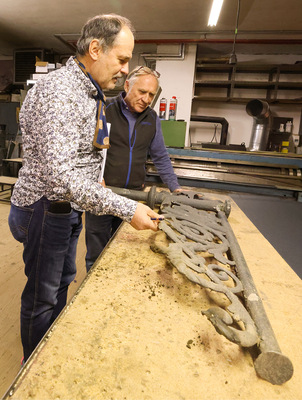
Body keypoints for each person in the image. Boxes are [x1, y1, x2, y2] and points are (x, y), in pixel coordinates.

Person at [8, 14, 162, 363]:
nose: (125, 69)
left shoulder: (89, 91)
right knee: (42, 294)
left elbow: (86, 151)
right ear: (96, 48)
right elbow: (60, 177)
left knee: (64, 279)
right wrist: (124, 207)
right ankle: (33, 367)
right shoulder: (60, 92)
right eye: (122, 59)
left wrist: (96, 181)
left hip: (67, 207)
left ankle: (49, 347)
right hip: (45, 207)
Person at [85, 66, 183, 271]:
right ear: (127, 85)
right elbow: (88, 150)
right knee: (97, 253)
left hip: (133, 198)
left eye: (151, 95)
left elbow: (160, 155)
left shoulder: (152, 118)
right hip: (103, 193)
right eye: (142, 92)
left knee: (127, 249)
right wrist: (93, 178)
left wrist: (175, 187)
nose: (146, 99)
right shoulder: (104, 109)